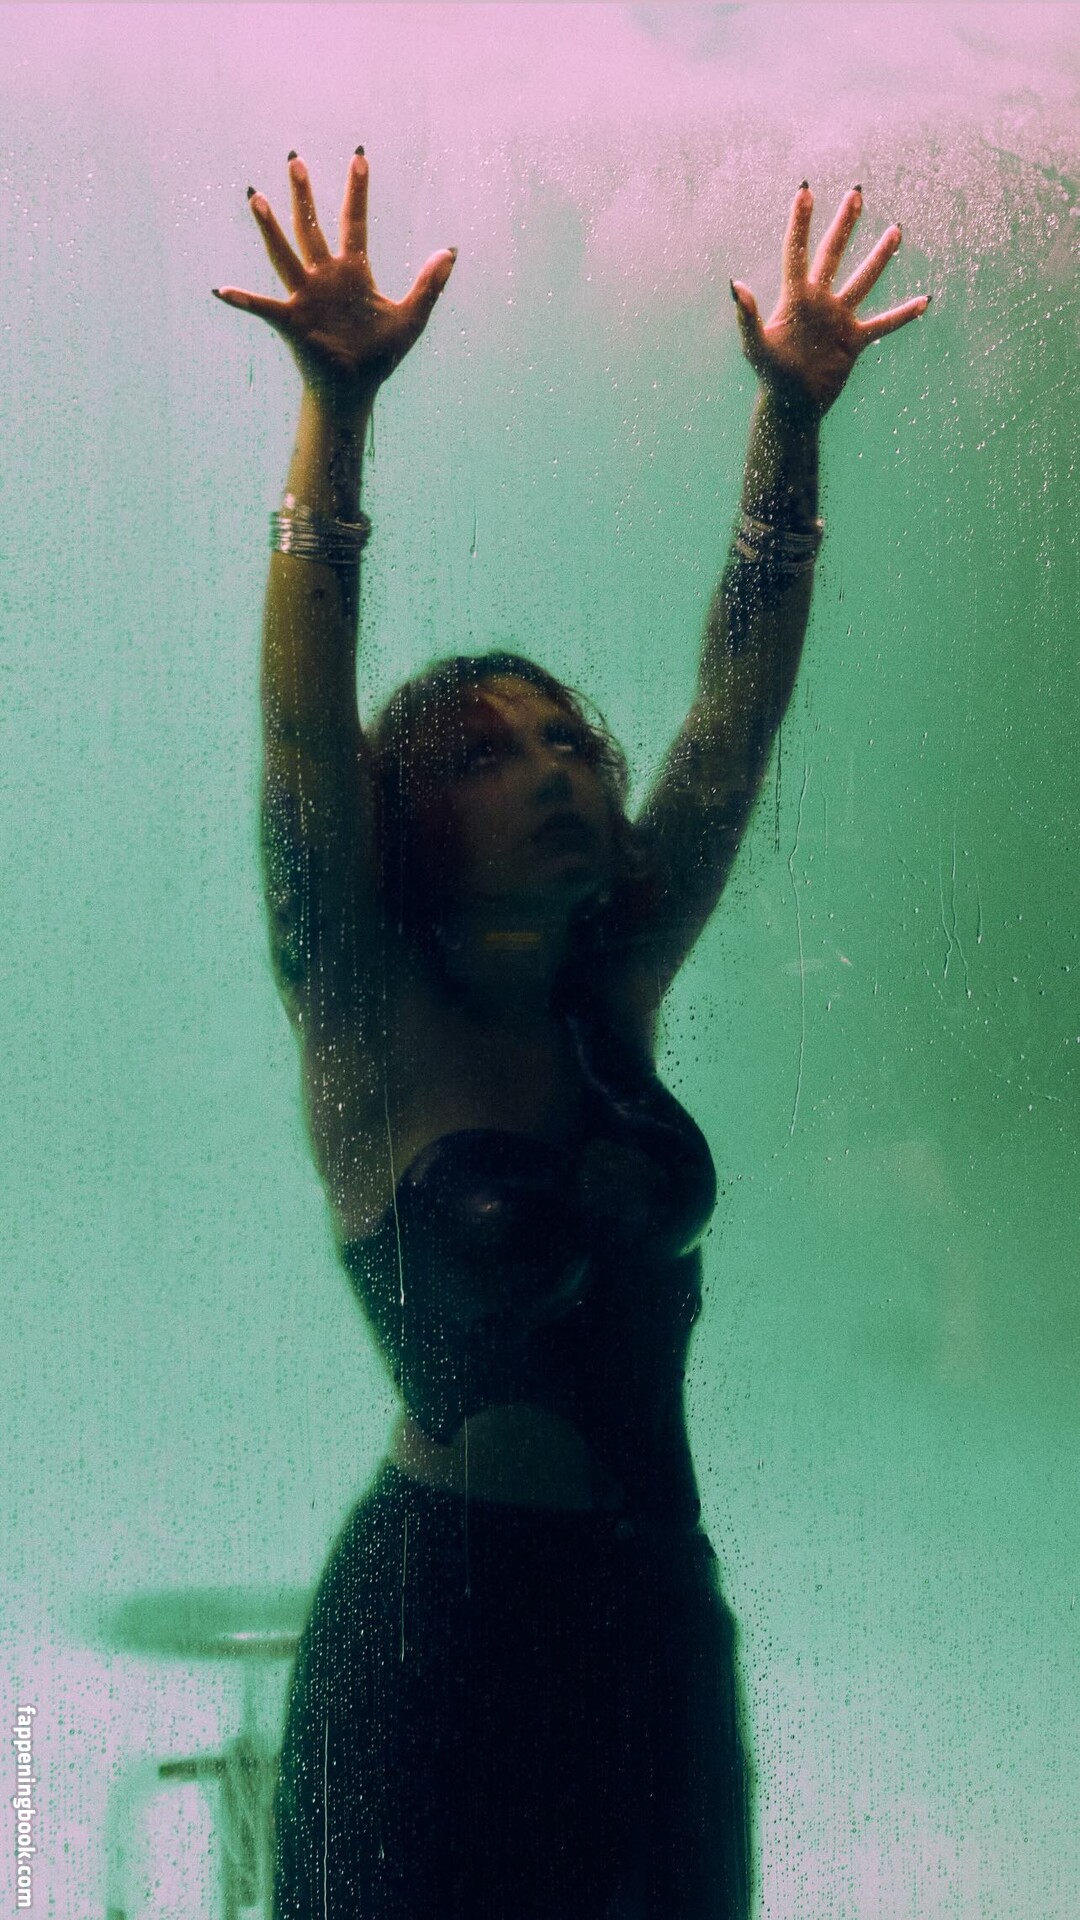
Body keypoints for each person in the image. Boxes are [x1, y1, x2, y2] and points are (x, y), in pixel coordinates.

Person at [214, 149, 929, 1920]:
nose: (551, 769)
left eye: (567, 742)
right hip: (433, 1646)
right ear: (405, 821)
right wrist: (334, 417)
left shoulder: (611, 992)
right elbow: (300, 745)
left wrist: (791, 426)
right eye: (485, 751)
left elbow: (732, 721)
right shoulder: (365, 1010)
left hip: (654, 1626)